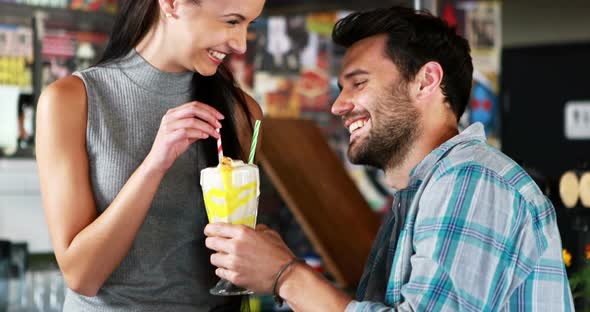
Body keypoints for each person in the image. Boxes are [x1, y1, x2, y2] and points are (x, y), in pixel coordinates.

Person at [204, 6, 575, 311]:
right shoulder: (425, 191)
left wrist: (286, 275)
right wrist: (279, 269)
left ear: (426, 80)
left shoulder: (473, 180)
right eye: (340, 88)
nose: (338, 105)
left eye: (359, 82)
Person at [35, 0, 264, 310]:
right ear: (171, 4)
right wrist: (156, 163)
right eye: (232, 22)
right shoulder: (72, 102)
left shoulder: (241, 114)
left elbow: (235, 263)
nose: (239, 44)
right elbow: (81, 276)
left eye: (249, 25)